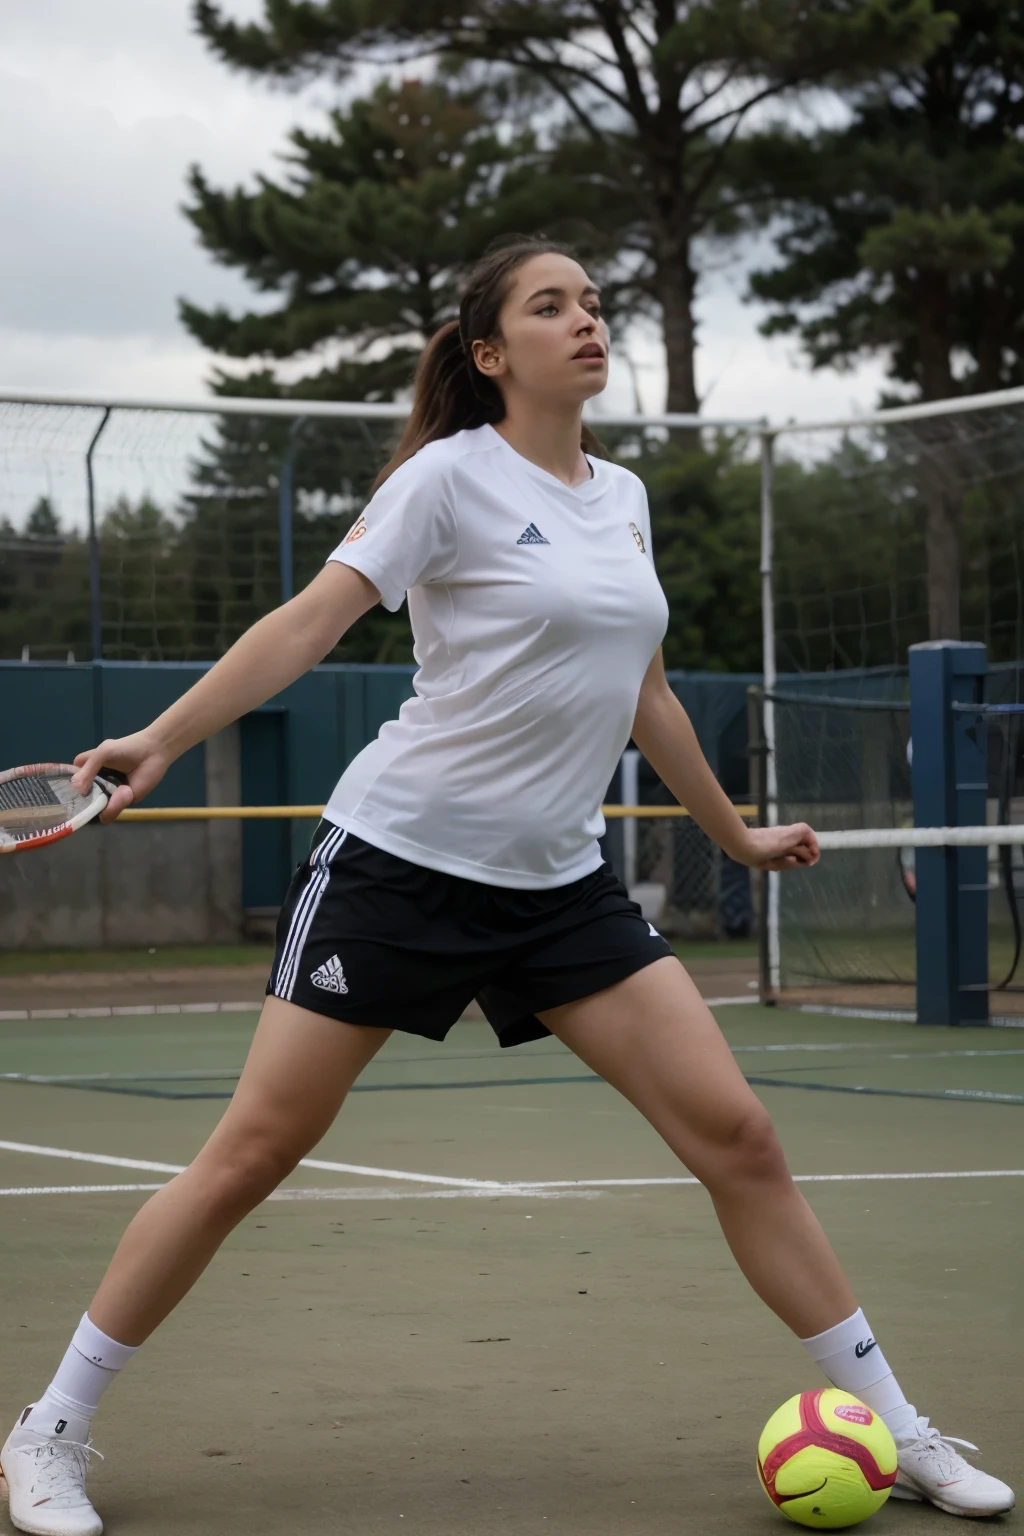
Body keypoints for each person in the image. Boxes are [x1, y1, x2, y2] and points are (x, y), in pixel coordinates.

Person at [1, 238, 1012, 1534]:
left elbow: (645, 699)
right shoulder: (446, 479)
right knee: (252, 1154)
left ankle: (907, 1432)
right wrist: (163, 738)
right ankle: (50, 1432)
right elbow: (307, 625)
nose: (586, 321)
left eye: (594, 303)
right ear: (491, 354)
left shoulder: (626, 494)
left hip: (559, 889)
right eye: (552, 307)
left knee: (742, 1141)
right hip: (399, 867)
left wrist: (742, 839)